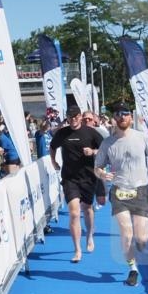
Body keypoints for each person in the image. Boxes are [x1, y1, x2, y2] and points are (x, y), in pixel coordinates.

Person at [93, 103, 148, 287]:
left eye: (125, 114)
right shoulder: (107, 143)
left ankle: (138, 246)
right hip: (119, 192)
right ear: (114, 118)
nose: (122, 117)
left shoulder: (142, 137)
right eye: (118, 114)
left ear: (131, 117)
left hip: (140, 191)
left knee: (142, 239)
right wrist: (102, 174)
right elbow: (97, 167)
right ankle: (133, 269)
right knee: (126, 232)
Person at [50, 105, 105, 262]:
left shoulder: (91, 133)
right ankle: (77, 250)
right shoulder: (62, 133)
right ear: (67, 118)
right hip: (70, 178)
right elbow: (52, 147)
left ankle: (89, 235)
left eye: (75, 117)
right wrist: (53, 161)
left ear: (80, 117)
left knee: (87, 209)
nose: (73, 120)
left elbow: (105, 150)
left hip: (88, 176)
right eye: (70, 117)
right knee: (74, 213)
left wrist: (93, 152)